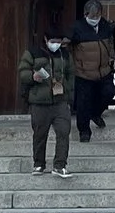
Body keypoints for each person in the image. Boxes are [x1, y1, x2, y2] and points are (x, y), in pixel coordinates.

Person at [20, 27, 75, 177]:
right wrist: (33, 76)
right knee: (40, 134)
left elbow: (71, 73)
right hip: (39, 101)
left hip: (60, 100)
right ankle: (38, 164)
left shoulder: (65, 54)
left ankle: (60, 165)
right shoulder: (32, 53)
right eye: (53, 41)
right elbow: (22, 72)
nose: (56, 44)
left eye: (58, 42)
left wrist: (68, 90)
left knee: (64, 132)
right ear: (45, 39)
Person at [69, 0, 115, 140]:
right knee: (83, 103)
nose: (95, 19)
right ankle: (84, 131)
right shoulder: (77, 28)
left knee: (109, 92)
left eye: (97, 15)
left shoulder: (105, 26)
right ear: (86, 14)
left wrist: (113, 58)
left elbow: (110, 44)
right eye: (92, 16)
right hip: (84, 72)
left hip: (104, 70)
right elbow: (69, 47)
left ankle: (96, 113)